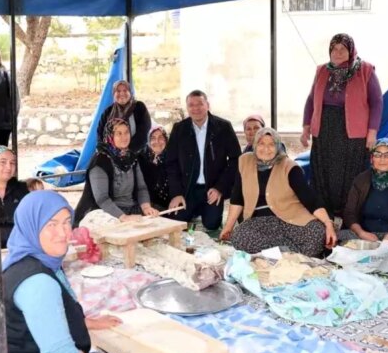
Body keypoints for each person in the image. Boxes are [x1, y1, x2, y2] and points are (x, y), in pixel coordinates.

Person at [0, 191, 152, 353]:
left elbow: (41, 315)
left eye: (67, 222)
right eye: (51, 224)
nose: (63, 233)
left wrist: (85, 323)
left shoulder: (30, 258)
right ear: (31, 226)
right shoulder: (38, 282)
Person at [301, 33, 383, 217]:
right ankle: (325, 214)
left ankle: (349, 215)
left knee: (348, 174)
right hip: (324, 130)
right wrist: (306, 127)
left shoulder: (365, 70)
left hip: (351, 132)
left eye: (342, 49)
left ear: (350, 50)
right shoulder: (322, 70)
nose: (338, 53)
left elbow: (377, 102)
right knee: (324, 172)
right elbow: (311, 99)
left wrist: (372, 133)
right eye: (334, 49)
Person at [220, 128, 336, 256]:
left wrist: (328, 223)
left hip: (291, 219)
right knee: (239, 237)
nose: (266, 149)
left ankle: (275, 253)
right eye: (261, 143)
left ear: (278, 146)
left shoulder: (289, 167)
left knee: (317, 233)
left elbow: (310, 199)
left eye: (271, 144)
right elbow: (237, 198)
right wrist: (228, 227)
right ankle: (290, 252)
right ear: (255, 145)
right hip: (259, 222)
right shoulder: (245, 162)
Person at [165, 90, 241, 232]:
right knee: (177, 220)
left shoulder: (223, 127)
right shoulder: (179, 129)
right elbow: (171, 163)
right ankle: (193, 210)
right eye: (191, 105)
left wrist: (220, 188)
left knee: (211, 224)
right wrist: (176, 193)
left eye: (200, 104)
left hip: (211, 188)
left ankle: (203, 211)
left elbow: (235, 160)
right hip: (187, 188)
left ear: (207, 105)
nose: (196, 108)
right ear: (187, 108)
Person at [73, 118, 159, 226]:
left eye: (126, 132)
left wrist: (146, 207)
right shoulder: (100, 161)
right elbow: (102, 199)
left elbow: (141, 188)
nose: (124, 137)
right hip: (106, 211)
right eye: (119, 133)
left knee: (158, 218)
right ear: (110, 136)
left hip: (131, 208)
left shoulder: (131, 157)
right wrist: (123, 217)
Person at [96, 80, 151, 154]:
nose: (122, 93)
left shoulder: (139, 107)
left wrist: (129, 150)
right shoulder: (108, 111)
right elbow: (100, 132)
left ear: (130, 92)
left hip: (136, 153)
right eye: (118, 91)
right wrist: (108, 151)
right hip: (112, 155)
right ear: (113, 94)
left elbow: (144, 131)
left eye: (125, 90)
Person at [138, 125, 170, 210]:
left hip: (167, 206)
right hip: (144, 205)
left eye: (161, 137)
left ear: (166, 140)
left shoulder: (172, 159)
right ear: (148, 141)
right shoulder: (141, 158)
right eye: (153, 138)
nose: (157, 141)